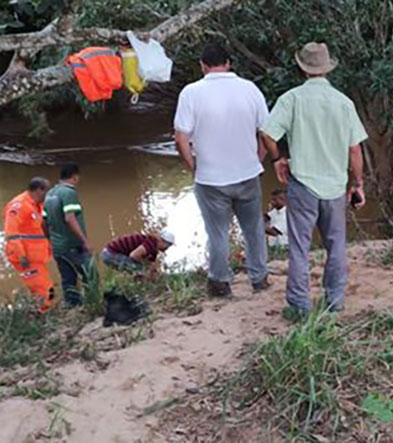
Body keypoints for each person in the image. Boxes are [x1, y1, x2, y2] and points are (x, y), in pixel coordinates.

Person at [260, 42, 367, 316]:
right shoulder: (344, 103)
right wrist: (357, 184)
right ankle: (334, 301)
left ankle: (299, 305)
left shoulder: (291, 99)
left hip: (303, 184)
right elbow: (354, 150)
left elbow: (268, 135)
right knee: (336, 246)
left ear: (302, 68)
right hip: (334, 186)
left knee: (299, 247)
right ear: (327, 68)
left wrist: (278, 159)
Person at [174, 42, 270, 297]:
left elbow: (181, 136)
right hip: (248, 174)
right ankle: (259, 280)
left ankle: (220, 283)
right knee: (254, 230)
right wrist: (258, 158)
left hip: (211, 178)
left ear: (203, 66)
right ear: (229, 63)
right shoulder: (250, 89)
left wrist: (194, 166)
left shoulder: (191, 93)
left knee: (217, 233)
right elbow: (266, 131)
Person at [44, 163, 93, 307]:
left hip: (58, 246)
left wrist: (50, 240)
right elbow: (69, 218)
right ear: (75, 177)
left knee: (68, 279)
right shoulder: (69, 192)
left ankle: (73, 307)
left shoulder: (50, 194)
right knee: (89, 275)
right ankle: (92, 305)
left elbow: (43, 221)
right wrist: (84, 241)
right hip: (72, 245)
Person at [3, 177, 54, 312]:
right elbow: (11, 233)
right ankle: (41, 317)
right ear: (39, 190)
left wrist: (51, 244)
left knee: (47, 288)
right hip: (25, 257)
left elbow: (40, 227)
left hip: (36, 256)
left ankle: (41, 314)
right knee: (42, 290)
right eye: (48, 192)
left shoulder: (37, 205)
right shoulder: (18, 206)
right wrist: (21, 256)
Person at [101, 230, 175, 273]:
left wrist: (155, 270)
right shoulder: (151, 244)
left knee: (141, 269)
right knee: (139, 269)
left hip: (111, 253)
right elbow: (134, 255)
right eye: (167, 245)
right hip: (110, 254)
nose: (167, 248)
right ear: (161, 241)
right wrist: (147, 265)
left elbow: (151, 265)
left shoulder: (153, 250)